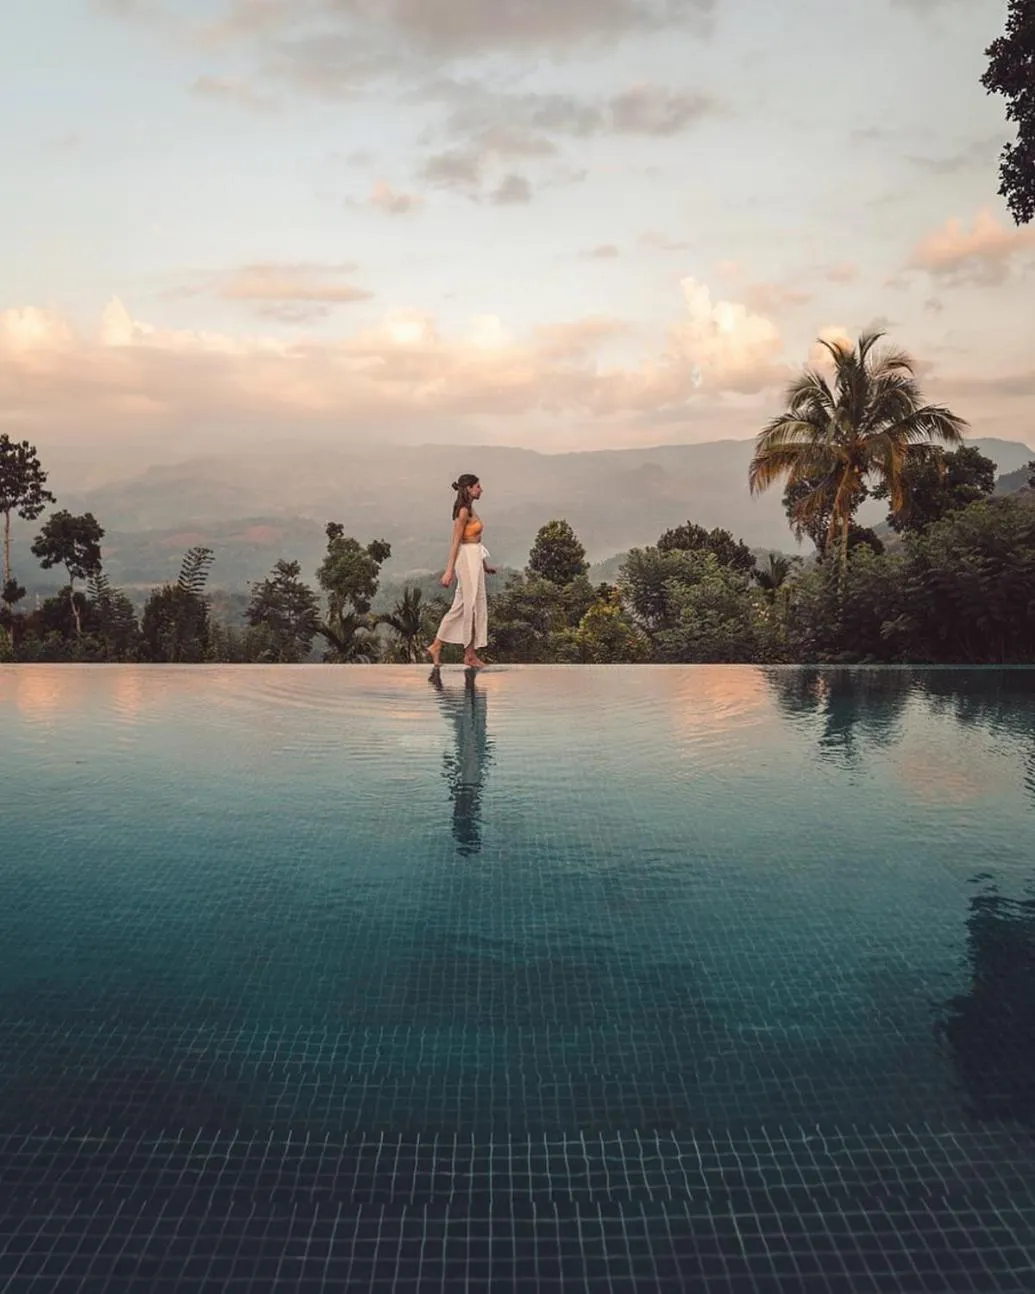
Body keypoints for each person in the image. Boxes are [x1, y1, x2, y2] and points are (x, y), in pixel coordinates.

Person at [426, 474, 496, 670]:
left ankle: (437, 645)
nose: (481, 489)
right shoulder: (463, 511)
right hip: (465, 560)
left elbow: (476, 542)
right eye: (478, 486)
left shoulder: (471, 509)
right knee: (470, 607)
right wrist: (449, 571)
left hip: (474, 559)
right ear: (468, 488)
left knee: (462, 606)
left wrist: (484, 565)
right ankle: (470, 655)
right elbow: (456, 542)